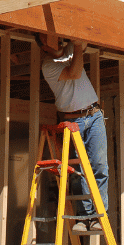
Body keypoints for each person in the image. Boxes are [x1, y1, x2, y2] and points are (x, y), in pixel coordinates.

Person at [38, 33, 108, 232]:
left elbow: (83, 40)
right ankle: (84, 218)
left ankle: (99, 216)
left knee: (100, 166)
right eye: (49, 38)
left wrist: (77, 40)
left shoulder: (68, 51)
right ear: (43, 45)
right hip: (73, 120)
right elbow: (75, 73)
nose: (56, 40)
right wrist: (77, 47)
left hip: (94, 115)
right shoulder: (48, 66)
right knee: (79, 171)